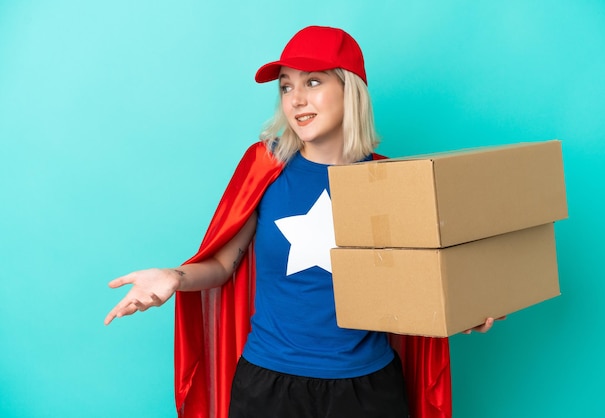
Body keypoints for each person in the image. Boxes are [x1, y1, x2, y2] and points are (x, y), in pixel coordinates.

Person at [105, 25, 499, 418]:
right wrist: (175, 276)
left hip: (366, 389)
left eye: (312, 82)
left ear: (351, 89)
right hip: (268, 385)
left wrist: (465, 309)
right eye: (285, 86)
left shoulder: (393, 183)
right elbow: (224, 265)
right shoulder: (265, 169)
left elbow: (418, 283)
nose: (296, 100)